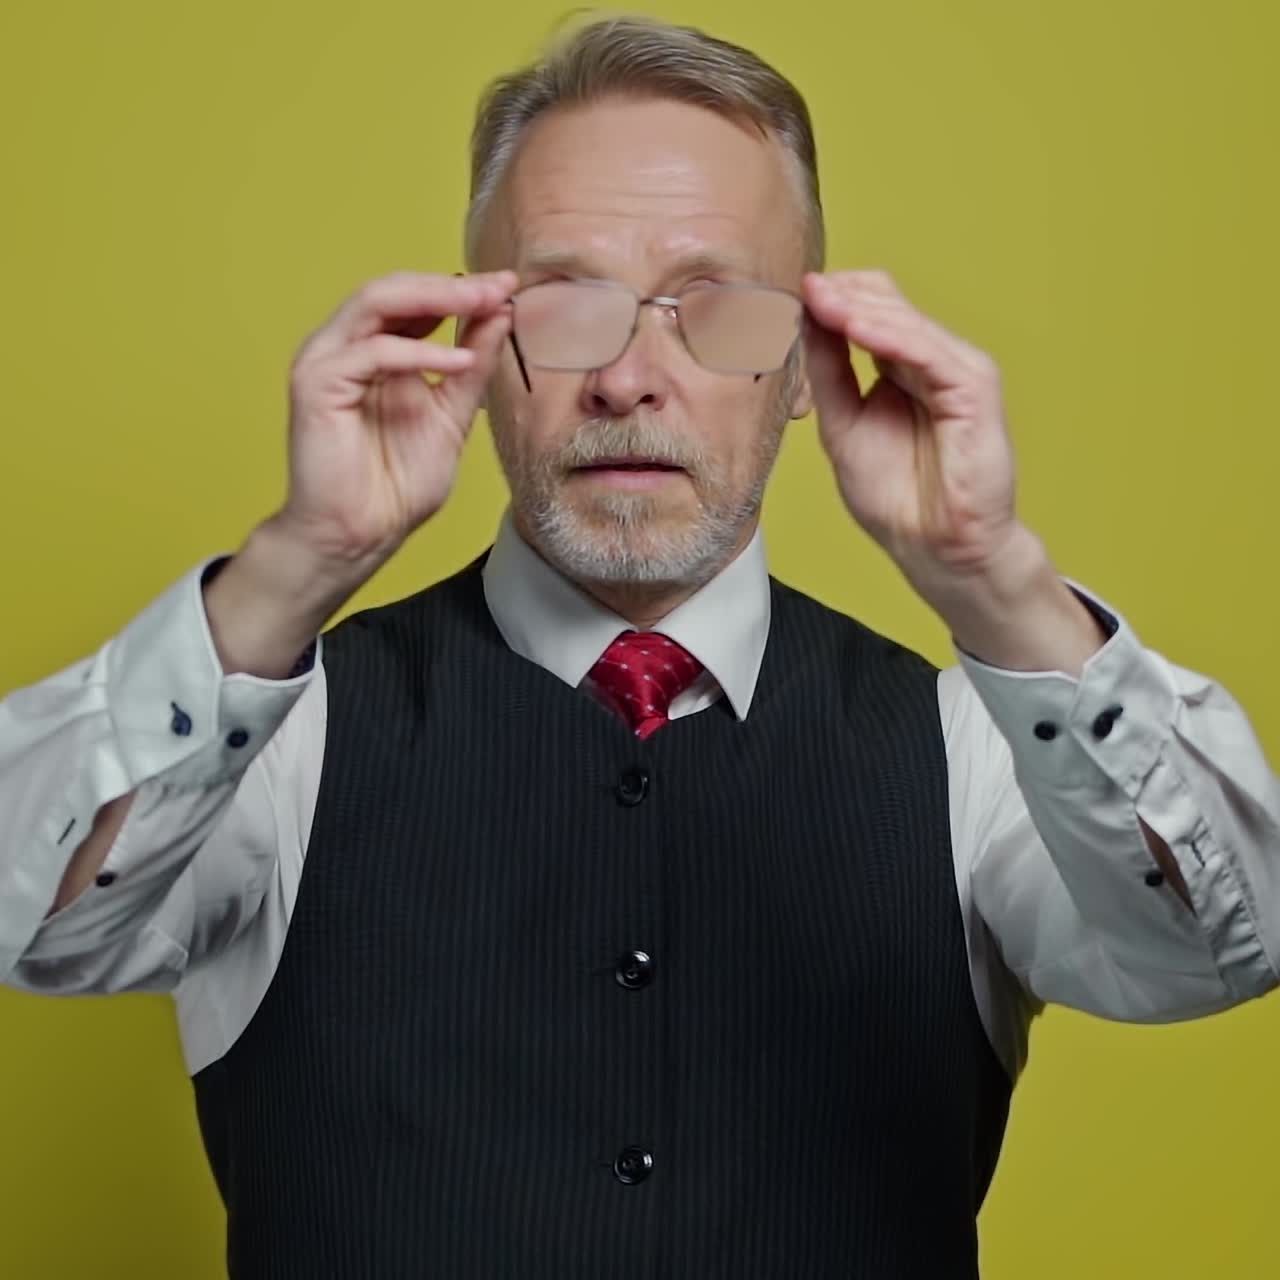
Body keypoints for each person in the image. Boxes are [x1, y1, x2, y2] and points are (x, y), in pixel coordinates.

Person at [2, 13, 1277, 1278]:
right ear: (475, 348)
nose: (626, 378)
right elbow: (34, 928)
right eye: (564, 304)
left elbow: (1224, 946)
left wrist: (995, 581)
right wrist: (294, 564)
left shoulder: (975, 748)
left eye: (712, 306)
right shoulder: (279, 725)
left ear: (805, 366)